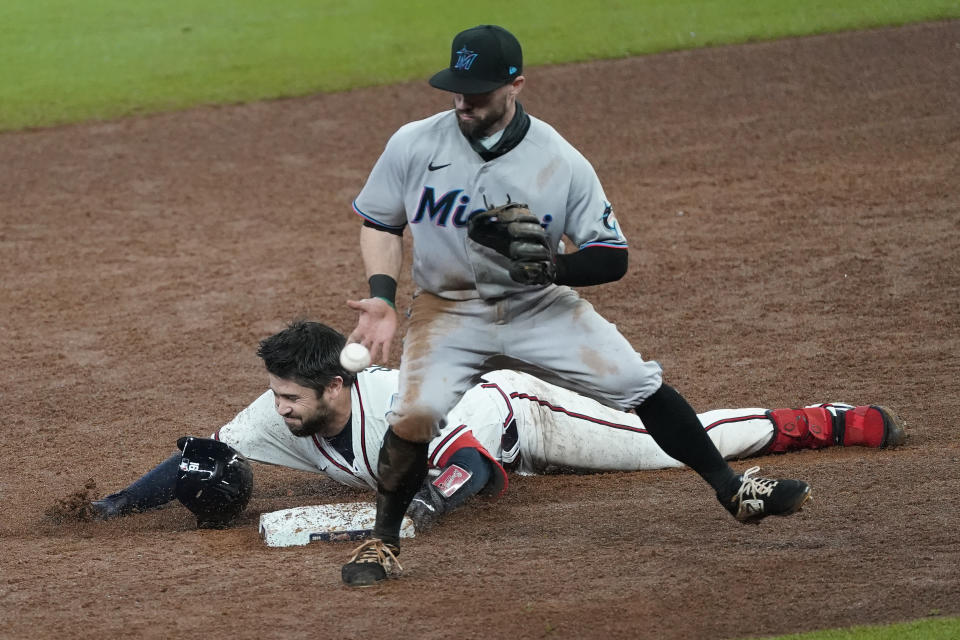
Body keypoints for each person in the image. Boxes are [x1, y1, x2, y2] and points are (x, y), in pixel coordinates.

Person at [342, 23, 828, 586]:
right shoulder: (413, 143)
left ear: (516, 85)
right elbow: (380, 221)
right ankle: (382, 542)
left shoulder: (560, 162)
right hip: (447, 309)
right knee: (414, 415)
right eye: (456, 89)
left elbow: (611, 255)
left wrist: (556, 269)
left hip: (538, 305)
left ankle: (733, 490)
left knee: (636, 382)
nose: (462, 103)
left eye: (477, 92)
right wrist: (381, 299)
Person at [90, 321, 905, 535]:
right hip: (480, 440)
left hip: (522, 413)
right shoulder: (282, 414)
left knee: (662, 447)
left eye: (292, 397)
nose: (279, 408)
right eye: (276, 397)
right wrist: (123, 504)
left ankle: (826, 421)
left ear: (336, 388)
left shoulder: (405, 399)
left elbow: (475, 452)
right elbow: (210, 451)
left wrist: (433, 501)